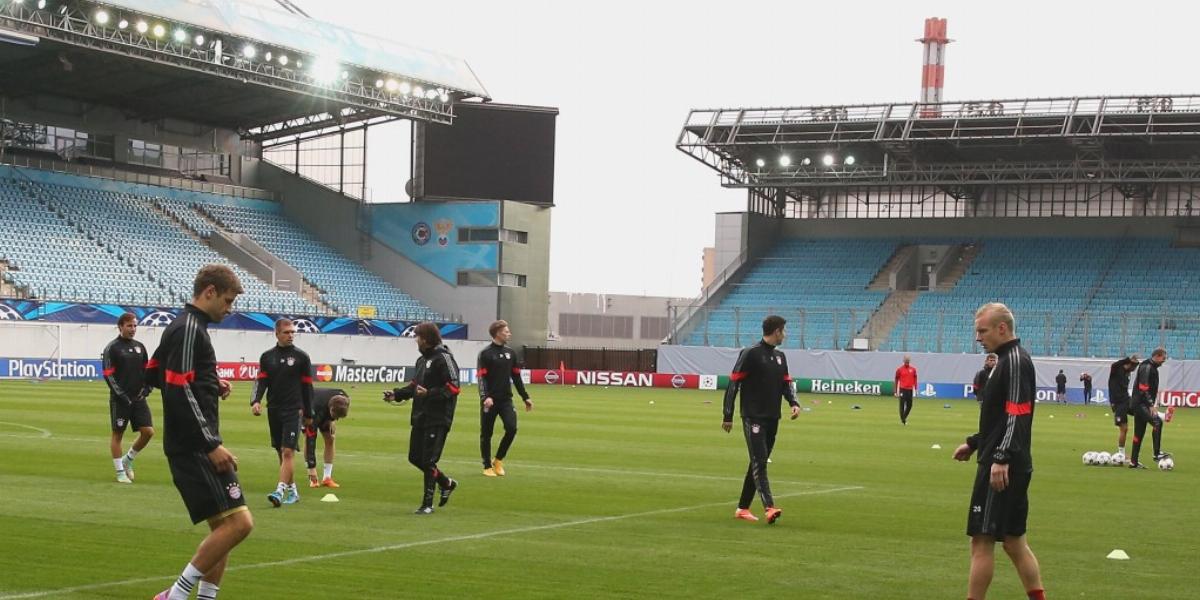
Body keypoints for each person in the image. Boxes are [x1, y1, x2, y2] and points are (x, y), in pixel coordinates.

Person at [147, 265, 253, 600]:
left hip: (189, 442)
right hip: (194, 445)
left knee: (224, 529)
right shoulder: (190, 328)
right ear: (209, 292)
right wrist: (210, 444)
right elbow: (177, 388)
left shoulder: (183, 326)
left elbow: (154, 373)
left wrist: (209, 384)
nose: (229, 307)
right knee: (240, 525)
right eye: (227, 299)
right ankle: (175, 595)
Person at [953, 303, 1045, 600]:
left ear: (1001, 329)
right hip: (1003, 459)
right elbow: (999, 418)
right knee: (1014, 542)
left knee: (982, 542)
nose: (978, 337)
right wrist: (975, 442)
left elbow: (1017, 413)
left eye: (982, 330)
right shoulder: (1004, 361)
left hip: (1002, 466)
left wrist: (1001, 458)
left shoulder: (1015, 361)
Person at [721, 315, 800, 525]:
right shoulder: (750, 354)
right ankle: (769, 507)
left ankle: (742, 508)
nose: (786, 334)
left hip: (773, 417)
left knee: (759, 461)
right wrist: (727, 415)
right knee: (759, 461)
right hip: (753, 417)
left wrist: (794, 402)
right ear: (776, 331)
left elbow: (786, 384)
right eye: (784, 330)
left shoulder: (781, 357)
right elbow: (733, 384)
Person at [385, 322, 461, 514]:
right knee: (414, 457)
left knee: (428, 461)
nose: (415, 340)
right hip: (420, 416)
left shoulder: (444, 358)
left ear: (426, 339)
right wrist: (396, 394)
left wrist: (429, 394)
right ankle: (446, 483)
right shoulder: (421, 361)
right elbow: (414, 386)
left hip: (438, 417)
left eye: (417, 337)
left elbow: (453, 387)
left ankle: (428, 504)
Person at [250, 318, 314, 507]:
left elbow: (308, 387)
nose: (291, 335)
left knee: (288, 451)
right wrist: (255, 401)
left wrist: (309, 413)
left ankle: (279, 491)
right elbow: (261, 381)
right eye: (286, 332)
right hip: (274, 409)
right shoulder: (267, 357)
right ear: (277, 333)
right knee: (281, 451)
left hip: (294, 410)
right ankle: (292, 490)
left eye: (293, 332)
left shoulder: (302, 357)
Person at [102, 312, 153, 483]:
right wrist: (121, 395)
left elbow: (147, 370)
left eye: (135, 326)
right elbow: (108, 374)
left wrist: (147, 387)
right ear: (121, 327)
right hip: (120, 400)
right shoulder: (112, 348)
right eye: (129, 326)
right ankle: (120, 473)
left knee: (148, 432)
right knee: (118, 435)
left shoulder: (140, 347)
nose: (133, 329)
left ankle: (128, 459)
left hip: (138, 399)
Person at [478, 320, 533, 477]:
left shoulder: (511, 353)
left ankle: (498, 460)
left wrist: (525, 397)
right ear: (498, 333)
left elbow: (516, 377)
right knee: (486, 433)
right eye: (506, 331)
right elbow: (482, 379)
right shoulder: (485, 353)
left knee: (512, 428)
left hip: (505, 400)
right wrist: (485, 397)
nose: (509, 333)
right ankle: (487, 465)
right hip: (490, 401)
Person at [1129, 348, 1170, 469]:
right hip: (1140, 404)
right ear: (1157, 356)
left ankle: (1133, 462)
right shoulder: (1147, 367)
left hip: (1141, 403)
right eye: (1163, 358)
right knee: (1157, 422)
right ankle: (1156, 454)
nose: (1164, 361)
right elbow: (1143, 387)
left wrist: (1152, 403)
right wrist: (1151, 405)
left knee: (1139, 433)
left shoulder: (1151, 367)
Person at [305, 388, 351, 488]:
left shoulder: (345, 398)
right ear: (331, 409)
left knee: (330, 438)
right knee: (309, 438)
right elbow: (310, 439)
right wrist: (311, 467)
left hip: (325, 411)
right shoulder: (316, 410)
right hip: (307, 410)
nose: (337, 419)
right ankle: (312, 478)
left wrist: (332, 420)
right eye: (336, 416)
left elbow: (337, 411)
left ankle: (327, 478)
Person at [1107, 355, 1139, 457]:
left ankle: (1162, 416)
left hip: (1126, 400)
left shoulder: (1128, 373)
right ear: (1129, 364)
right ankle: (1121, 454)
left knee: (1141, 410)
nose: (1134, 370)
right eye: (1133, 367)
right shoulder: (1116, 369)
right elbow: (1114, 364)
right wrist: (1128, 359)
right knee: (1124, 428)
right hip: (1118, 403)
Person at [894, 355, 917, 425]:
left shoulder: (913, 369)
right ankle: (903, 420)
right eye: (906, 360)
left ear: (909, 361)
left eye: (908, 360)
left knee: (910, 405)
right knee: (902, 405)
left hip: (910, 390)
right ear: (903, 361)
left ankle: (903, 418)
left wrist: (915, 388)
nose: (907, 361)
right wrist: (895, 391)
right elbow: (896, 379)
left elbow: (915, 379)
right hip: (902, 389)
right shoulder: (899, 369)